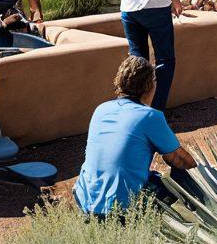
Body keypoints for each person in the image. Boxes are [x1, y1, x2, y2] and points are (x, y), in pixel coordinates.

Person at [73, 55, 199, 216]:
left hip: (84, 199)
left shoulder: (101, 109)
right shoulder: (149, 116)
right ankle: (201, 222)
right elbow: (181, 160)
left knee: (151, 177)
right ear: (150, 86)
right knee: (182, 175)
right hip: (117, 211)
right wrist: (203, 175)